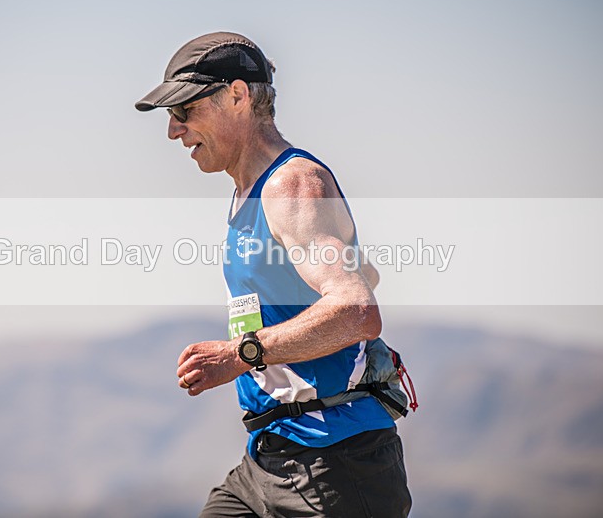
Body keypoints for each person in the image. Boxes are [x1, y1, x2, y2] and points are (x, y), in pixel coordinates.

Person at [135, 31, 411, 518]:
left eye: (184, 112)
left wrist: (240, 354)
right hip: (271, 456)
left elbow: (357, 309)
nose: (174, 132)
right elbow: (360, 273)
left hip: (334, 462)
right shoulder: (249, 192)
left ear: (237, 96)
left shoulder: (291, 185)